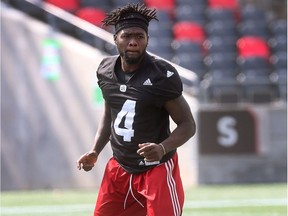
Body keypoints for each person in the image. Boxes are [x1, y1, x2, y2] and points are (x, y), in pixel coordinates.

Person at [76, 3, 196, 216]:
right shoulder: (105, 70)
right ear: (115, 39)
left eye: (140, 37)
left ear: (147, 40)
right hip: (119, 168)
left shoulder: (161, 75)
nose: (133, 42)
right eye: (127, 36)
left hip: (156, 170)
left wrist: (162, 147)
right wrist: (95, 150)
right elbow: (110, 113)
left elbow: (188, 125)